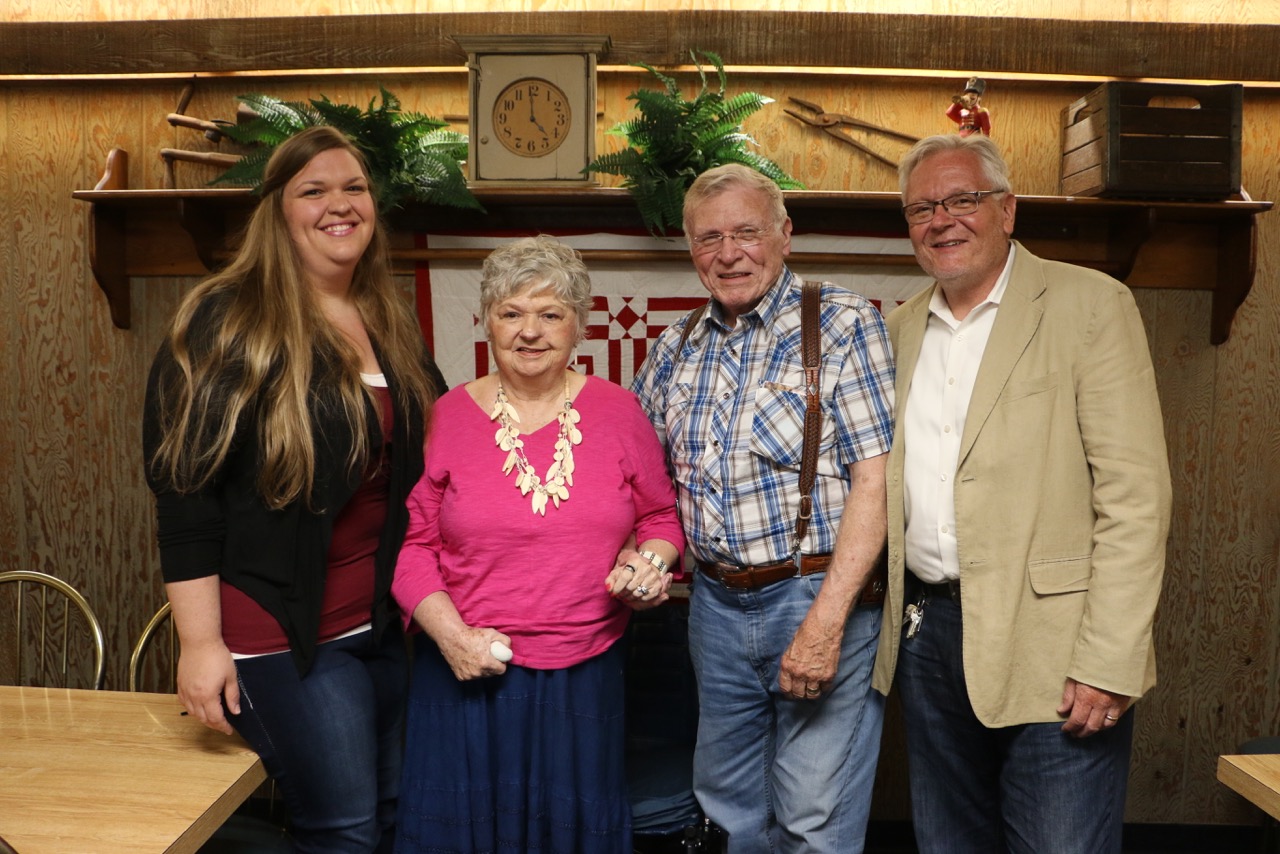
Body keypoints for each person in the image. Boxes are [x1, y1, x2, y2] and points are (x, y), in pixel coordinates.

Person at [143, 125, 444, 853]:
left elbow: (434, 459)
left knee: (396, 820)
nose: (339, 205)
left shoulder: (384, 317)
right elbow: (185, 497)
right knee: (343, 830)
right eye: (314, 191)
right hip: (282, 636)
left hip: (379, 628)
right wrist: (200, 643)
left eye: (355, 188)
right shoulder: (225, 320)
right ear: (277, 212)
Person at [873, 133, 1172, 853]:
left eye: (962, 200)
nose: (942, 220)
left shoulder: (1090, 304)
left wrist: (1108, 660)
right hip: (929, 638)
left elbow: (1135, 499)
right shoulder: (899, 328)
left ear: (1006, 210)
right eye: (922, 208)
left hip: (1057, 646)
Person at [631, 164, 895, 853]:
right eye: (709, 238)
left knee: (812, 818)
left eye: (746, 233)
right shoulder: (674, 348)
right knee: (729, 814)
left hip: (817, 594)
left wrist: (827, 623)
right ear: (691, 247)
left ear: (784, 235)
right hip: (714, 607)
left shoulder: (841, 322)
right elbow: (634, 481)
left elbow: (876, 483)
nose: (728, 254)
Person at [391, 235, 684, 854]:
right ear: (486, 321)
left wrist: (649, 565)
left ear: (579, 325)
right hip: (467, 667)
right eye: (512, 313)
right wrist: (453, 638)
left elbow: (661, 517)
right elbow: (414, 548)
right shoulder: (447, 415)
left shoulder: (620, 411)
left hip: (585, 670)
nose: (530, 331)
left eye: (550, 314)